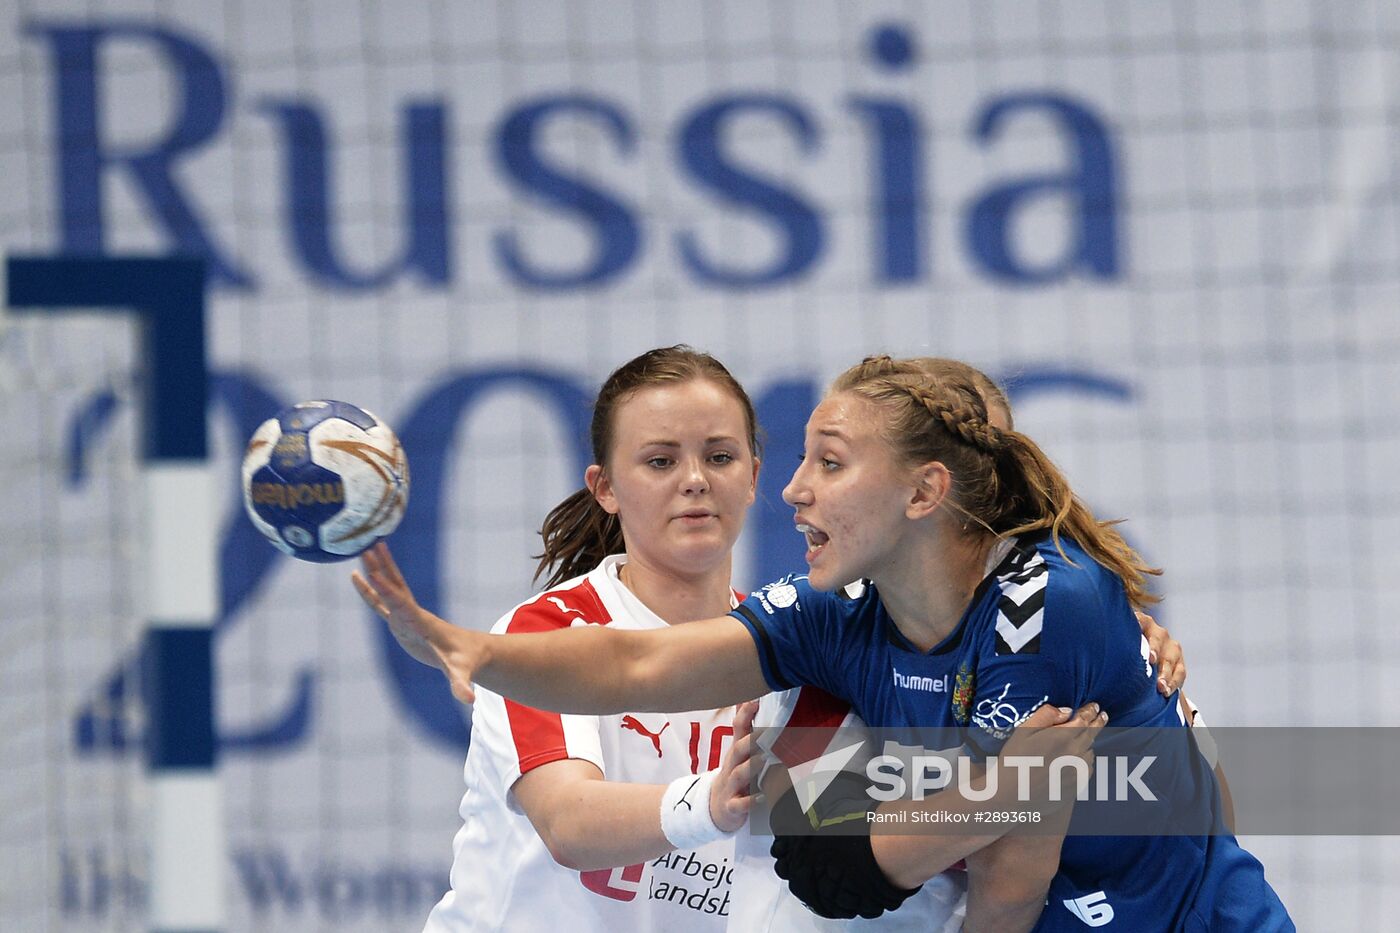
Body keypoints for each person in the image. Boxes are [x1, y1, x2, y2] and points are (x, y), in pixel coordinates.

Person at [357, 351, 1201, 932]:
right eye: (660, 460)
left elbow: (836, 848)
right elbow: (577, 809)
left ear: (752, 472)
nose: (694, 479)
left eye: (719, 454)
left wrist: (1126, 659)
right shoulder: (553, 633)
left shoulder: (821, 649)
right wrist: (478, 652)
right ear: (604, 487)